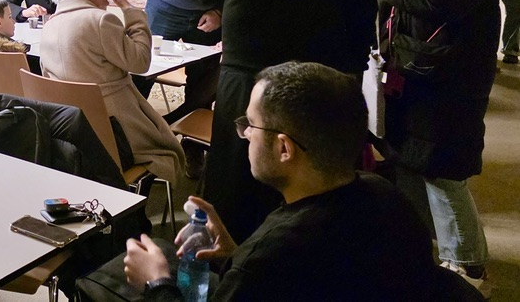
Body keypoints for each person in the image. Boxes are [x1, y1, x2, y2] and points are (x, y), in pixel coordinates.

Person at [121, 62, 467, 302]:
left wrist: (156, 282)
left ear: (284, 148)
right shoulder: (387, 196)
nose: (245, 135)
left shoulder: (269, 255)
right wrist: (234, 256)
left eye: (251, 125)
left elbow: (272, 272)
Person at [196, 0, 377, 243]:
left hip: (248, 71)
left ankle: (231, 249)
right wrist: (354, 67)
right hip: (318, 73)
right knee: (314, 165)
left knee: (238, 171)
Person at [373, 0, 498, 294]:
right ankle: (437, 252)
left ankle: (469, 267)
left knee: (443, 170)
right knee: (416, 162)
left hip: (449, 71)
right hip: (418, 64)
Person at [39, 0, 184, 181]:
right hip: (117, 133)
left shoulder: (49, 26)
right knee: (167, 147)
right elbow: (141, 62)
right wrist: (134, 16)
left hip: (72, 135)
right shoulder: (100, 20)